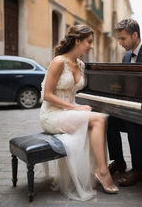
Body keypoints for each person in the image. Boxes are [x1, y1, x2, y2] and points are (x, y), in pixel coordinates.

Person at [40, 24, 118, 201]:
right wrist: (76, 108)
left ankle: (96, 170)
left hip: (68, 111)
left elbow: (78, 92)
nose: (91, 45)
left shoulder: (80, 64)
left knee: (99, 119)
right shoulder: (59, 62)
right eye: (89, 42)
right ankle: (102, 171)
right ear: (77, 41)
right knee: (98, 120)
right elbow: (47, 95)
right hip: (52, 114)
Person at [107, 18, 142, 186]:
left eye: (122, 38)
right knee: (108, 118)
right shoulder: (126, 56)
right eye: (118, 39)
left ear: (135, 35)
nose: (119, 43)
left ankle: (139, 169)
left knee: (134, 121)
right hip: (132, 106)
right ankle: (119, 162)